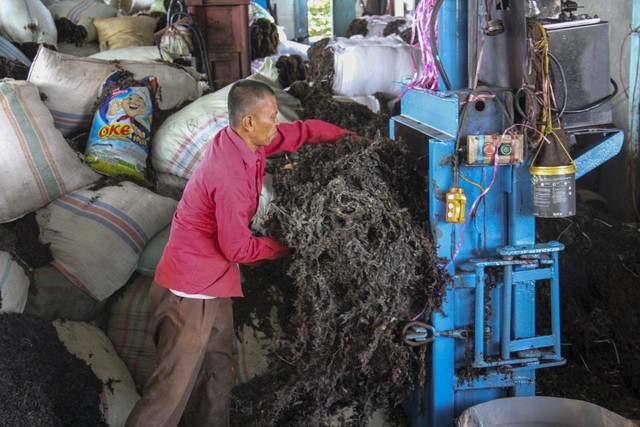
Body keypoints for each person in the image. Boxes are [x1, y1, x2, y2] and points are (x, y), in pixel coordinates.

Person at [125, 79, 354, 427]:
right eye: (271, 117)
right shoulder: (230, 174)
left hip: (215, 282)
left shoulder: (245, 143)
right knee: (170, 390)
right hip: (191, 290)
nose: (276, 124)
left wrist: (348, 138)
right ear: (248, 122)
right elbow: (237, 247)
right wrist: (288, 245)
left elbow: (301, 132)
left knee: (218, 369)